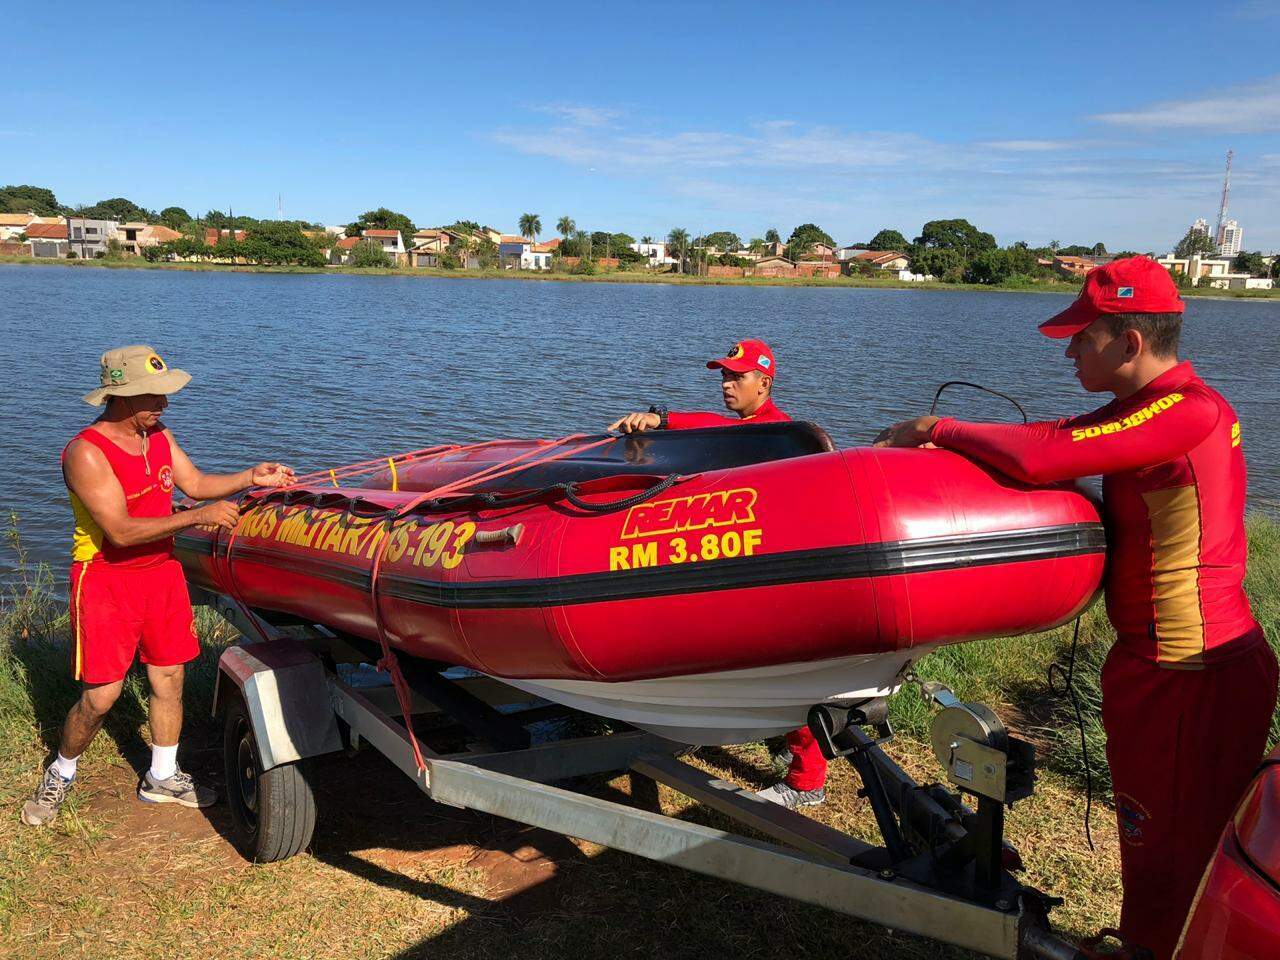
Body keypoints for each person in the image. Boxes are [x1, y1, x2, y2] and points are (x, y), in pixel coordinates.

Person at [875, 257, 1278, 960]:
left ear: (1130, 343)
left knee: (1170, 849)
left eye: (1081, 338)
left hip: (1190, 670)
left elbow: (1048, 454)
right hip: (1159, 666)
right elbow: (1059, 435)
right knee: (1154, 840)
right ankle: (1150, 945)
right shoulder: (1145, 408)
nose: (1067, 351)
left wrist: (938, 426)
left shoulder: (1190, 412)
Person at [21, 345, 295, 827]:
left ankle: (162, 776)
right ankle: (61, 772)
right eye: (154, 396)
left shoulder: (158, 433)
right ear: (120, 397)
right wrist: (198, 519)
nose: (164, 405)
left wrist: (251, 476)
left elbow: (196, 483)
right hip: (106, 578)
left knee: (169, 677)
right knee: (102, 695)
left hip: (161, 574)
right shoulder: (86, 453)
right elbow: (122, 531)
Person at [607, 339, 829, 809]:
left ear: (764, 383)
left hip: (775, 571)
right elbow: (713, 426)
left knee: (787, 670)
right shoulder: (747, 428)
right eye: (724, 376)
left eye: (737, 377)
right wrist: (660, 421)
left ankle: (807, 783)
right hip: (740, 564)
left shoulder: (782, 434)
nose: (726, 385)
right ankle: (749, 731)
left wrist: (665, 420)